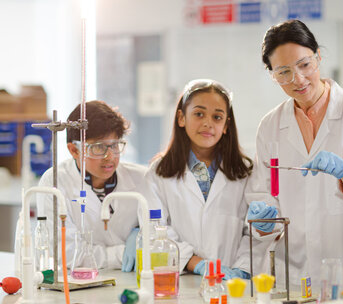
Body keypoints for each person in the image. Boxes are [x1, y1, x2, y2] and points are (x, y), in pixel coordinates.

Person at [246, 20, 343, 286]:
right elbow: (266, 193)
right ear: (272, 75)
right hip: (297, 269)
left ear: (318, 57)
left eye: (304, 65)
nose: (298, 79)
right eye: (284, 72)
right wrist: (264, 220)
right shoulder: (270, 126)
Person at [144, 79, 252, 280]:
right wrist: (199, 264)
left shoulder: (244, 172)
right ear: (181, 117)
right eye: (199, 114)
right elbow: (156, 232)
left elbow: (251, 233)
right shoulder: (158, 172)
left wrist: (242, 269)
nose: (208, 123)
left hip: (233, 283)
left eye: (217, 117)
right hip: (183, 279)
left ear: (226, 125)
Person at [37, 100, 146, 271]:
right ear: (74, 150)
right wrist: (124, 253)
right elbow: (66, 254)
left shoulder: (141, 178)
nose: (110, 156)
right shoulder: (55, 182)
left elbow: (162, 235)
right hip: (81, 285)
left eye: (115, 145)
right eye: (98, 147)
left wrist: (139, 232)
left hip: (133, 280)